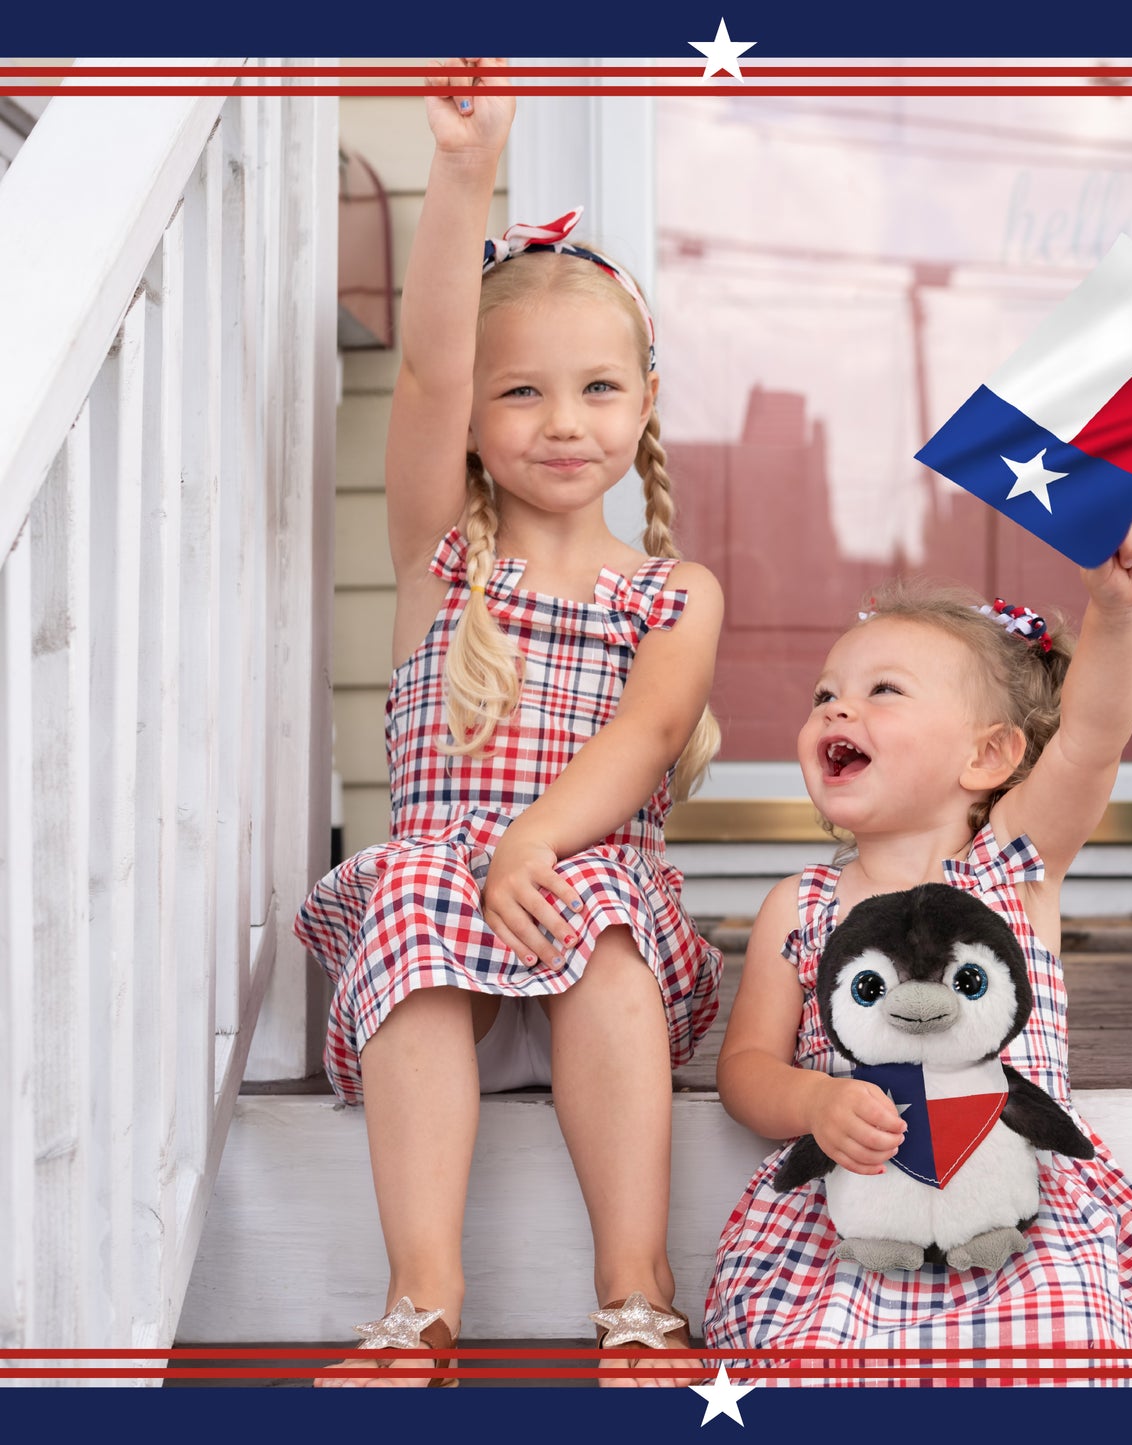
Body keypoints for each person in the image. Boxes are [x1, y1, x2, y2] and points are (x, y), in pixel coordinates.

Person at [297, 58, 724, 1387]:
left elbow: (645, 740)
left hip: (586, 890)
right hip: (450, 885)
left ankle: (637, 1290)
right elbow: (424, 366)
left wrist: (533, 840)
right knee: (420, 887)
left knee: (595, 919)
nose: (562, 422)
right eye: (521, 392)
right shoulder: (441, 556)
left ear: (644, 402)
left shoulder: (672, 591)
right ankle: (422, 1297)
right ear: (476, 424)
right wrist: (465, 172)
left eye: (598, 389)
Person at [703, 527, 1132, 1386]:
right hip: (850, 1213)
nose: (837, 710)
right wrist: (814, 1099)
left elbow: (1090, 739)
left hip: (1015, 1209)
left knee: (1062, 1340)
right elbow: (743, 1068)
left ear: (986, 753)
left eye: (882, 690)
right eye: (825, 695)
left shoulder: (1011, 863)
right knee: (813, 1359)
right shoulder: (801, 902)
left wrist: (1117, 609)